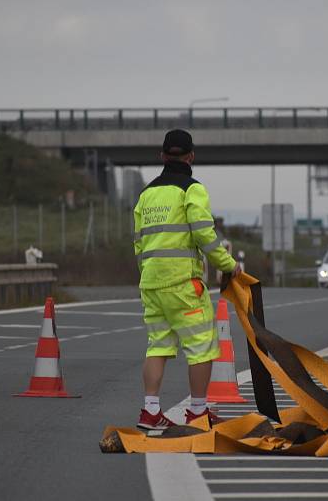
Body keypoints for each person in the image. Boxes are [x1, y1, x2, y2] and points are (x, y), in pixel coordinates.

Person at [133, 129, 240, 430]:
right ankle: (198, 412)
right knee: (202, 346)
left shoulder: (146, 194)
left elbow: (139, 243)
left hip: (151, 283)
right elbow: (204, 234)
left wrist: (149, 273)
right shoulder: (192, 190)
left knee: (158, 345)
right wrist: (228, 265)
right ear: (191, 156)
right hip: (182, 283)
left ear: (163, 156)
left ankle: (150, 411)